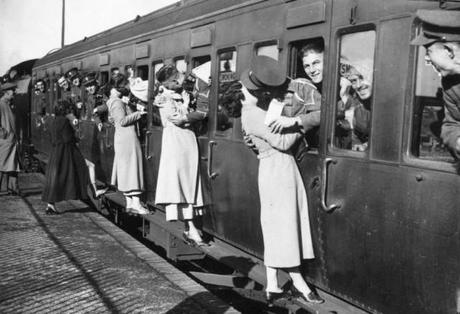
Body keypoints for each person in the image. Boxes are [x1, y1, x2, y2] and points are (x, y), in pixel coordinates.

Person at [221, 56, 324, 305]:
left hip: (273, 169)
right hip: (279, 170)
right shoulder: (255, 114)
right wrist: (300, 124)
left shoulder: (252, 113)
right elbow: (281, 142)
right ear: (243, 97)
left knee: (275, 226)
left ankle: (273, 285)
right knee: (284, 226)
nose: (254, 90)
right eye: (249, 89)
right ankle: (299, 284)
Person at [153, 64, 207, 246]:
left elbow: (185, 118)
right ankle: (191, 228)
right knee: (182, 183)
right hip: (177, 144)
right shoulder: (164, 99)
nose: (175, 84)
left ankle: (192, 227)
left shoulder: (178, 94)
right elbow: (177, 120)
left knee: (189, 183)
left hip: (186, 143)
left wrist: (186, 110)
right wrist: (186, 107)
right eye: (172, 82)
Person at [410, 9, 460, 159]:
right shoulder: (450, 84)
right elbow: (450, 125)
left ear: (448, 50)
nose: (427, 59)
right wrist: (457, 141)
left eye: (429, 51)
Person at [106, 77, 149, 215]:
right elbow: (123, 121)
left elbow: (113, 120)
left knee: (126, 170)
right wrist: (139, 114)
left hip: (122, 138)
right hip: (128, 138)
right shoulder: (117, 102)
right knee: (132, 169)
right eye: (125, 86)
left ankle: (130, 203)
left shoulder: (112, 101)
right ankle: (136, 203)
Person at [41, 100, 89, 214]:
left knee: (55, 178)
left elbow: (53, 138)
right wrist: (76, 136)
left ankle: (50, 205)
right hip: (65, 152)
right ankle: (89, 191)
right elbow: (67, 138)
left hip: (56, 152)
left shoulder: (54, 121)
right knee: (80, 169)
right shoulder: (64, 121)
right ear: (65, 110)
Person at [336, 63, 372, 151]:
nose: (359, 85)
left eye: (363, 78)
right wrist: (344, 92)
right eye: (354, 81)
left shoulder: (388, 102)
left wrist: (367, 145)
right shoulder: (356, 102)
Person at [0, 82, 20, 195]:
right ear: (6, 92)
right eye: (13, 91)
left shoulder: (8, 104)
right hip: (5, 141)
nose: (15, 93)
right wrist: (4, 134)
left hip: (10, 141)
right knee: (2, 166)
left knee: (13, 165)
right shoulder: (1, 104)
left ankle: (13, 188)